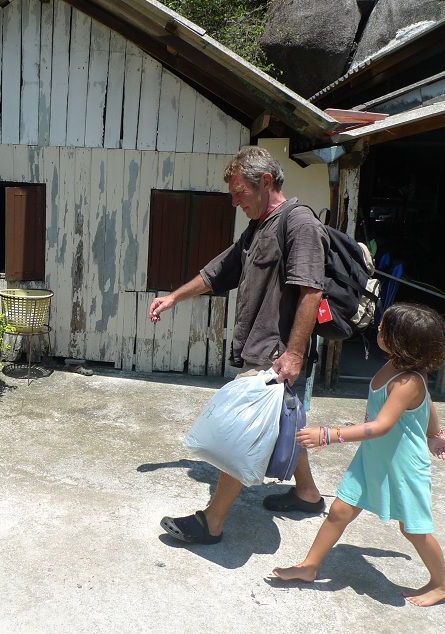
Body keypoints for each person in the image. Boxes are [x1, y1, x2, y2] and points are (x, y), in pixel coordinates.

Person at [149, 146, 328, 545]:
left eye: (239, 193)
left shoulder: (299, 224)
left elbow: (311, 293)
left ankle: (212, 522)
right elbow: (220, 271)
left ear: (266, 182)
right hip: (265, 347)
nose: (234, 202)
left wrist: (295, 352)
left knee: (242, 432)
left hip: (277, 353)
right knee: (285, 424)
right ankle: (307, 494)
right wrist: (174, 297)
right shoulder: (259, 227)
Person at [273, 303, 445, 608]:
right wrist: (435, 433)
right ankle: (310, 566)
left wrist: (329, 435)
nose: (379, 330)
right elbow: (429, 405)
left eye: (385, 328)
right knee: (340, 511)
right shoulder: (395, 366)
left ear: (401, 341)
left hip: (403, 467)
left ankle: (443, 582)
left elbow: (382, 426)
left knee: (414, 529)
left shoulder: (408, 381)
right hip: (372, 459)